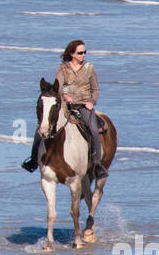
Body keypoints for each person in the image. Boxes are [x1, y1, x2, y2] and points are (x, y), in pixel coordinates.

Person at [23, 39, 105, 176]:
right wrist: (65, 96)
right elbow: (59, 87)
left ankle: (97, 165)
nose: (83, 55)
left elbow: (95, 89)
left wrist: (92, 101)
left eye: (84, 52)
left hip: (84, 105)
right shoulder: (63, 69)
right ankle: (33, 160)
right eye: (80, 53)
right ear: (72, 53)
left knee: (93, 130)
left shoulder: (89, 68)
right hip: (66, 104)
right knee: (40, 129)